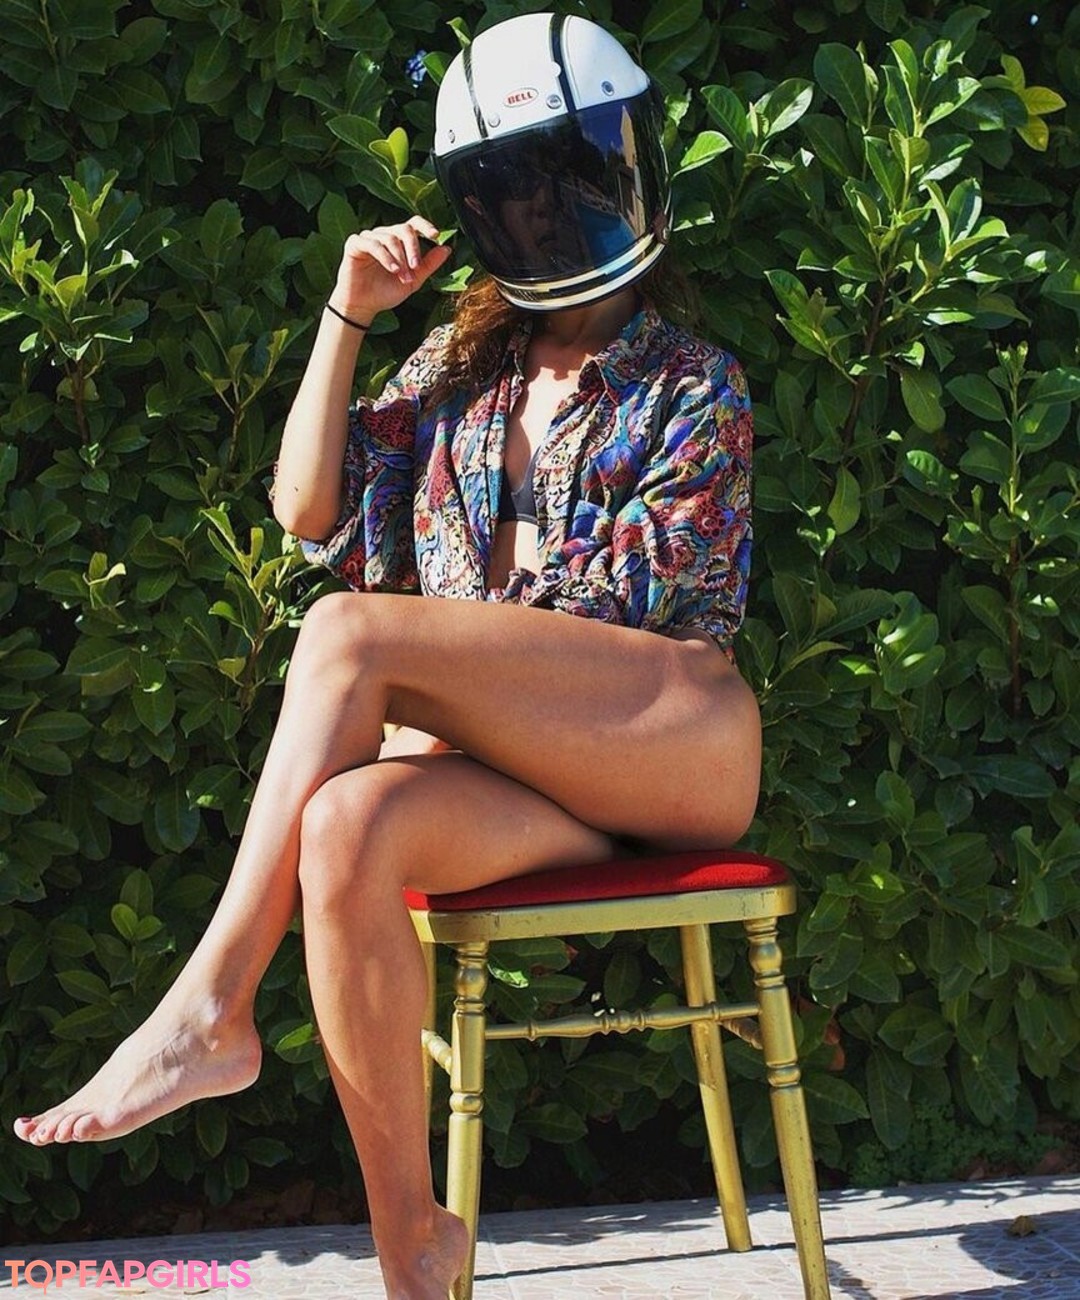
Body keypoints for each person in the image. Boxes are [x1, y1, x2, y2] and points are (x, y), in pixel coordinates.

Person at [14, 14, 760, 1300]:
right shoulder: (460, 369)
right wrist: (347, 314)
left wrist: (431, 684)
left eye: (564, 178)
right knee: (343, 827)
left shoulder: (693, 380)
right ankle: (413, 1244)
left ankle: (211, 1006)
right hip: (520, 784)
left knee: (348, 634)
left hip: (674, 748)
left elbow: (626, 604)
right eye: (514, 188)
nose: (541, 213)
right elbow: (307, 513)